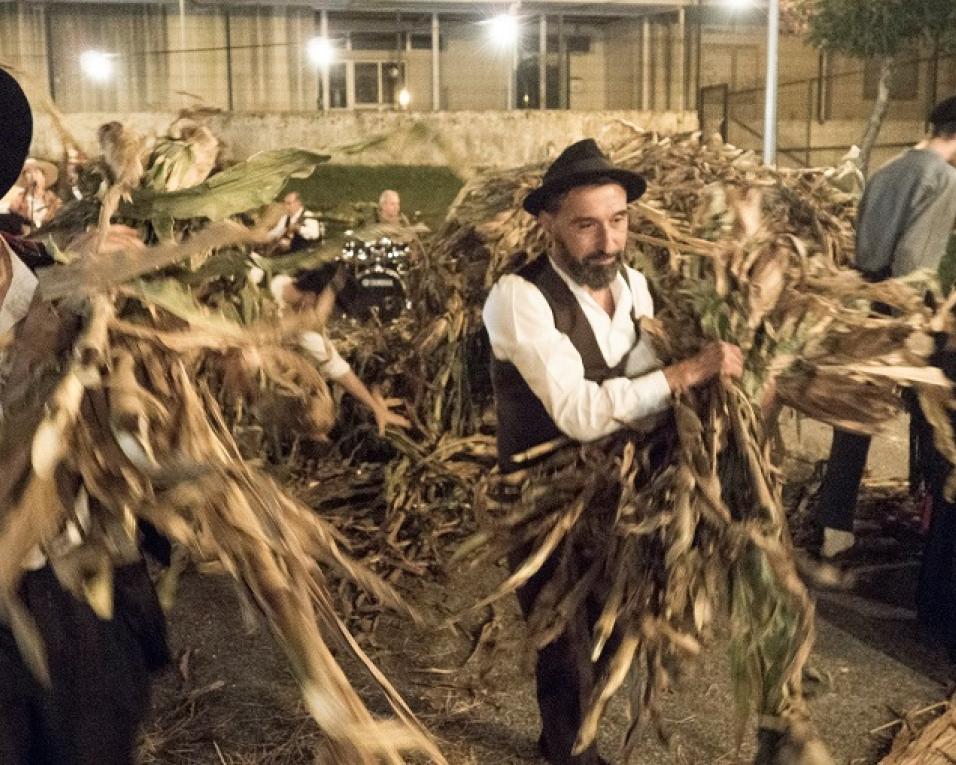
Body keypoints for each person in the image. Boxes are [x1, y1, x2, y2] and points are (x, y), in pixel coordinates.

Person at [482, 138, 743, 765]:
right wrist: (689, 373)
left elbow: (641, 386)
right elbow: (579, 412)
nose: (608, 240)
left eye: (619, 221)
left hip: (616, 487)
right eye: (587, 225)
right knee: (561, 627)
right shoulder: (519, 299)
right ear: (547, 222)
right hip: (541, 493)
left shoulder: (635, 288)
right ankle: (569, 751)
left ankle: (571, 737)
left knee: (612, 618)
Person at [0, 68, 169, 765]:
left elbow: (125, 435)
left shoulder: (46, 269)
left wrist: (143, 330)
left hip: (84, 598)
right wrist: (36, 343)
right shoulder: (43, 299)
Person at [815, 95, 956, 560]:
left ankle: (834, 526)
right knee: (937, 418)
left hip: (867, 303)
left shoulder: (885, 170)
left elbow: (864, 247)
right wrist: (921, 322)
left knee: (854, 415)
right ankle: (936, 522)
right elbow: (916, 260)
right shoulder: (944, 179)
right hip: (906, 312)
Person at [270, 266, 410, 435]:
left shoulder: (278, 288)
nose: (331, 318)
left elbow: (339, 369)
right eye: (332, 311)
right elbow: (339, 371)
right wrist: (376, 408)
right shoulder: (302, 335)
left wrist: (375, 398)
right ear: (312, 298)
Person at [10, 157, 61, 230]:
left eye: (36, 172)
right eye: (29, 172)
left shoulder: (54, 201)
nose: (33, 176)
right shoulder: (18, 203)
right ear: (25, 179)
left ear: (44, 177)